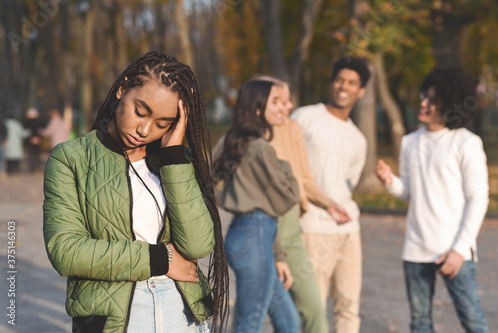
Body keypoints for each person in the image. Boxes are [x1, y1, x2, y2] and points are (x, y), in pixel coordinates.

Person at [43, 51, 229, 333]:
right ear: (122, 89)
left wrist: (174, 157)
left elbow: (198, 246)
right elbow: (66, 251)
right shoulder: (71, 158)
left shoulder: (177, 160)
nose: (144, 129)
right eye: (140, 112)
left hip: (182, 313)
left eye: (162, 123)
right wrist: (160, 259)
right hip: (117, 319)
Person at [375, 66, 489, 333]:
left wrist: (459, 250)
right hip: (416, 248)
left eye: (432, 99)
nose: (423, 103)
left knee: (473, 321)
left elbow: (478, 199)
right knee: (420, 322)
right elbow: (410, 193)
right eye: (423, 95)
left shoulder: (465, 143)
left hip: (454, 250)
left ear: (450, 103)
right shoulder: (409, 142)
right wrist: (390, 181)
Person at [257, 76, 351, 333]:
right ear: (259, 102)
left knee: (314, 312)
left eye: (288, 101)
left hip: (292, 231)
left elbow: (305, 178)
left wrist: (328, 204)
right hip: (264, 231)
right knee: (254, 316)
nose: (288, 107)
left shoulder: (292, 129)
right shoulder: (249, 138)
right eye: (280, 101)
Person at [213, 79, 301, 332]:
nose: (283, 107)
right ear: (257, 109)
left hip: (251, 235)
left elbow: (206, 180)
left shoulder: (233, 141)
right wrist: (285, 166)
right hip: (254, 237)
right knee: (250, 324)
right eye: (275, 102)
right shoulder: (261, 149)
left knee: (288, 321)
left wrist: (230, 200)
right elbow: (287, 197)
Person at [291, 57, 370, 333]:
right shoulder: (305, 117)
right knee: (314, 308)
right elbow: (289, 167)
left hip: (349, 229)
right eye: (339, 80)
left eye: (351, 83)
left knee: (349, 307)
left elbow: (350, 182)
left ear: (361, 91)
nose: (343, 86)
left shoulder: (358, 139)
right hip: (312, 227)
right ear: (331, 82)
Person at [24, 107, 43, 172]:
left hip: (30, 140)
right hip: (37, 140)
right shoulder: (39, 122)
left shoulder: (27, 122)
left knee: (31, 154)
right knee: (36, 154)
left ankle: (32, 167)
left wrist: (31, 138)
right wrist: (38, 138)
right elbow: (40, 131)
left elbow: (27, 131)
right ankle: (36, 166)